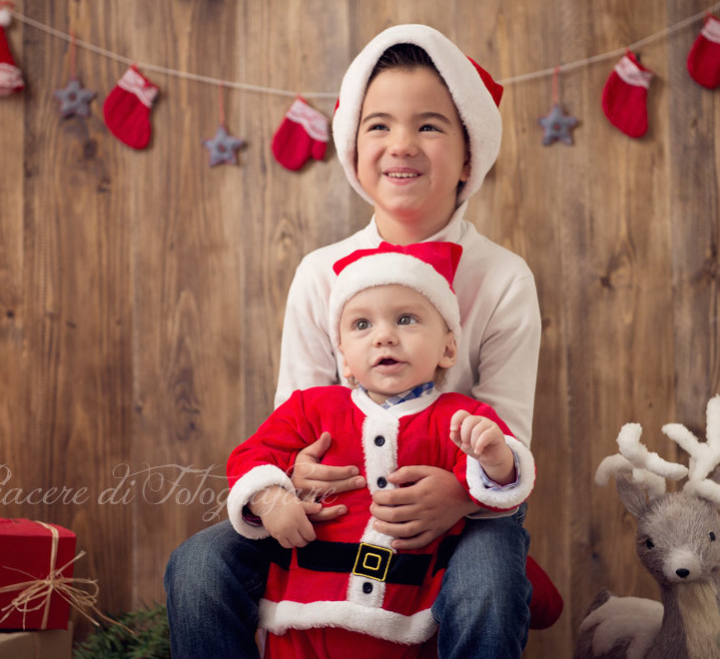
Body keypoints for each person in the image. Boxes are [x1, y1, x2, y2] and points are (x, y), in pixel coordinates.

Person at [165, 24, 561, 659]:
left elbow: (508, 431)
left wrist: (460, 493)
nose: (401, 145)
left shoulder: (503, 276)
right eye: (379, 125)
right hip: (334, 502)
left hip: (464, 505)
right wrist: (294, 477)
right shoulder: (322, 272)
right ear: (353, 149)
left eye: (430, 126)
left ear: (468, 156)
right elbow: (294, 415)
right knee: (198, 566)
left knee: (486, 581)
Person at [225, 241, 536, 658]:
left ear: (447, 348)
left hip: (408, 619)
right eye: (361, 326)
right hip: (303, 619)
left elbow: (499, 488)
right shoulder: (311, 408)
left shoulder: (462, 417)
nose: (384, 337)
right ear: (345, 361)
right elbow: (251, 456)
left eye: (406, 320)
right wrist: (268, 496)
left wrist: (496, 459)